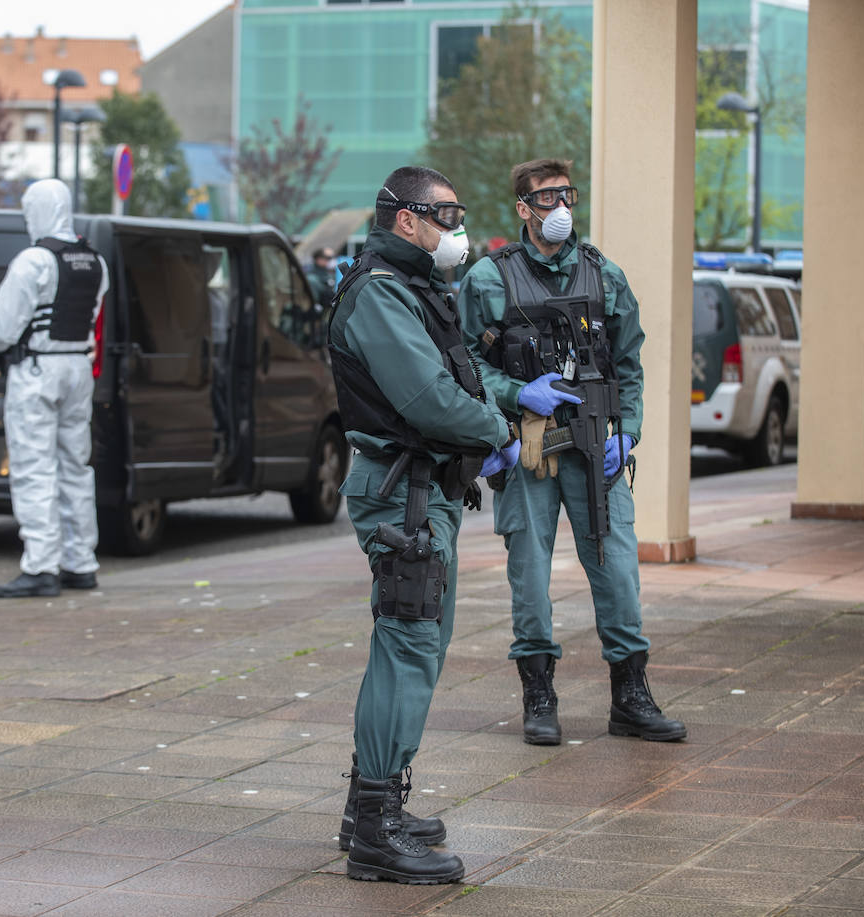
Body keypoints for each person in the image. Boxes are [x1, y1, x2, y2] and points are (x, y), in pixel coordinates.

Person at [328, 165, 520, 884]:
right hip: (400, 493)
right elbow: (428, 398)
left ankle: (371, 805)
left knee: (418, 646)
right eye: (446, 214)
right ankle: (377, 828)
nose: (457, 229)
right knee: (408, 645)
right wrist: (497, 424)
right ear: (405, 219)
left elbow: (455, 378)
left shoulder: (414, 286)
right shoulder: (381, 292)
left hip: (424, 491)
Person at [457, 158, 686, 746]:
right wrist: (512, 394)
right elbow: (464, 363)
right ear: (522, 207)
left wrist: (627, 432)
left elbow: (629, 362)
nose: (559, 208)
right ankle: (539, 694)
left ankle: (630, 696)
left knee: (619, 572)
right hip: (527, 448)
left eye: (566, 196)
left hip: (594, 445)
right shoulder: (489, 279)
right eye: (545, 198)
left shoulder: (604, 274)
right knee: (529, 575)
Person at [0, 179, 108, 598]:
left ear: (38, 211)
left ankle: (41, 566)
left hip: (38, 369)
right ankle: (80, 562)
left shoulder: (34, 260)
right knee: (75, 466)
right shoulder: (94, 260)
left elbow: (2, 325)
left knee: (34, 468)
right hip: (77, 367)